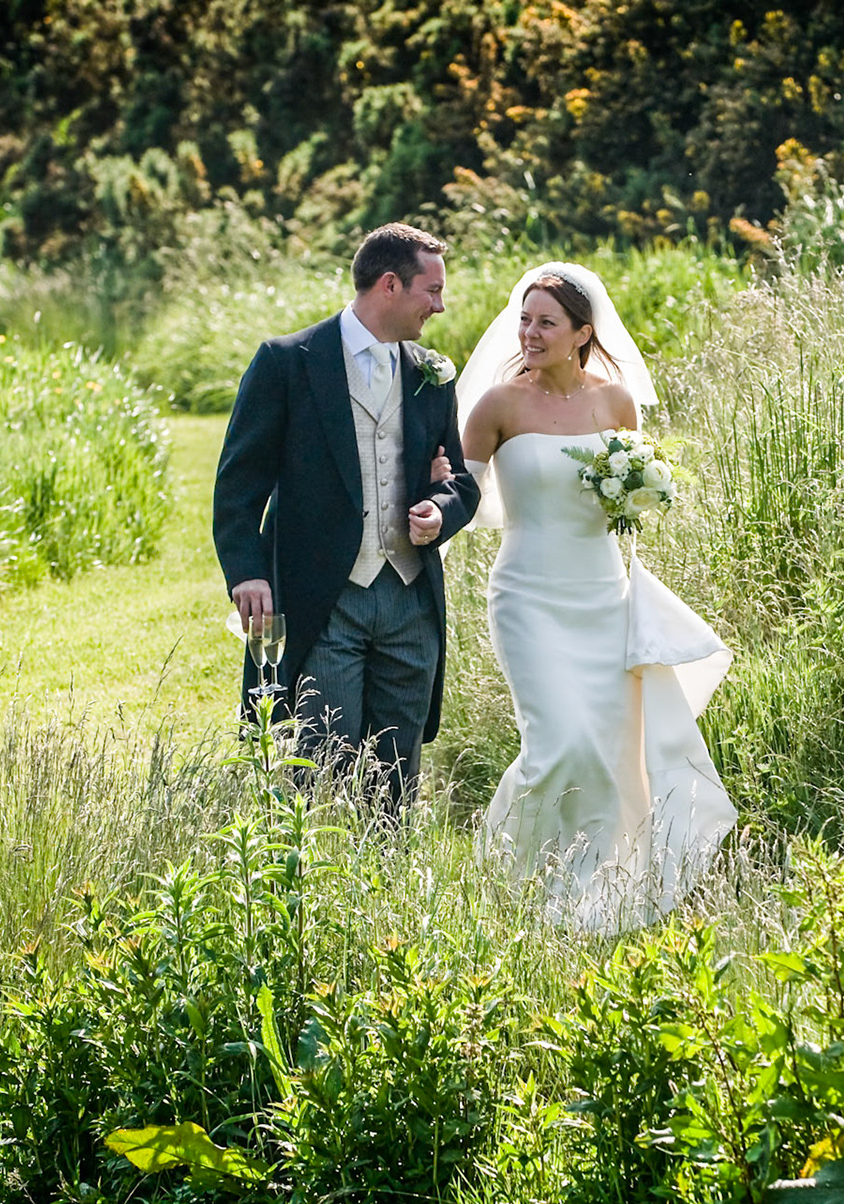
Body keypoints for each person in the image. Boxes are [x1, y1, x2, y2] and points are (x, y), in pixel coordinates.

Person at [454, 262, 735, 934]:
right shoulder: (497, 406)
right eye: (525, 318)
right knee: (559, 744)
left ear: (583, 332)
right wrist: (435, 512)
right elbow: (458, 496)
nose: (530, 332)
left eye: (546, 322)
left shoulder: (616, 405)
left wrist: (642, 491)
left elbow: (632, 498)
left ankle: (588, 889)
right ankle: (507, 873)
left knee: (610, 752)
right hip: (526, 597)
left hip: (603, 595)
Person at [212, 223, 479, 808]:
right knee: (319, 766)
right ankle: (318, 887)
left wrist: (440, 508)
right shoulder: (285, 362)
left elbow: (460, 480)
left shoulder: (431, 374)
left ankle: (390, 887)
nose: (440, 304)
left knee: (397, 778)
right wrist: (247, 572)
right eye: (431, 290)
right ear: (390, 285)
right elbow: (239, 481)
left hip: (411, 601)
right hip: (323, 597)